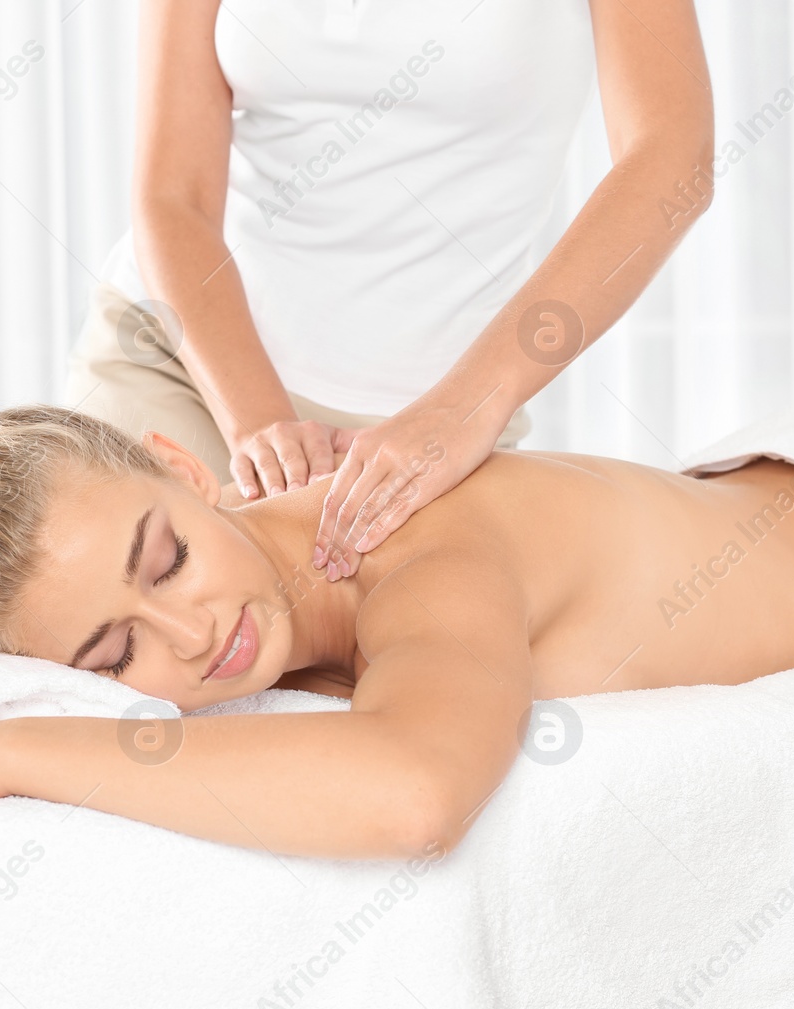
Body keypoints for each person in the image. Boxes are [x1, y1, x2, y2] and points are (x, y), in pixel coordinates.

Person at [0, 405, 794, 859]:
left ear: (184, 468)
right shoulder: (185, 558)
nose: (192, 631)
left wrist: (5, 750)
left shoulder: (419, 547)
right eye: (109, 656)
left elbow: (414, 791)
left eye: (168, 557)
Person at [72, 0, 716, 584]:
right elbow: (172, 198)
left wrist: (465, 410)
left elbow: (672, 159)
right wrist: (261, 427)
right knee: (102, 632)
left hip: (437, 416)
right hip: (186, 362)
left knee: (401, 663)